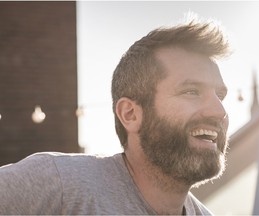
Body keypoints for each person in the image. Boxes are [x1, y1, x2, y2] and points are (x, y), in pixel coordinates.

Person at [0, 16, 231, 215]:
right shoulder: (58, 184)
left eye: (220, 96)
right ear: (130, 114)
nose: (219, 111)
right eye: (191, 91)